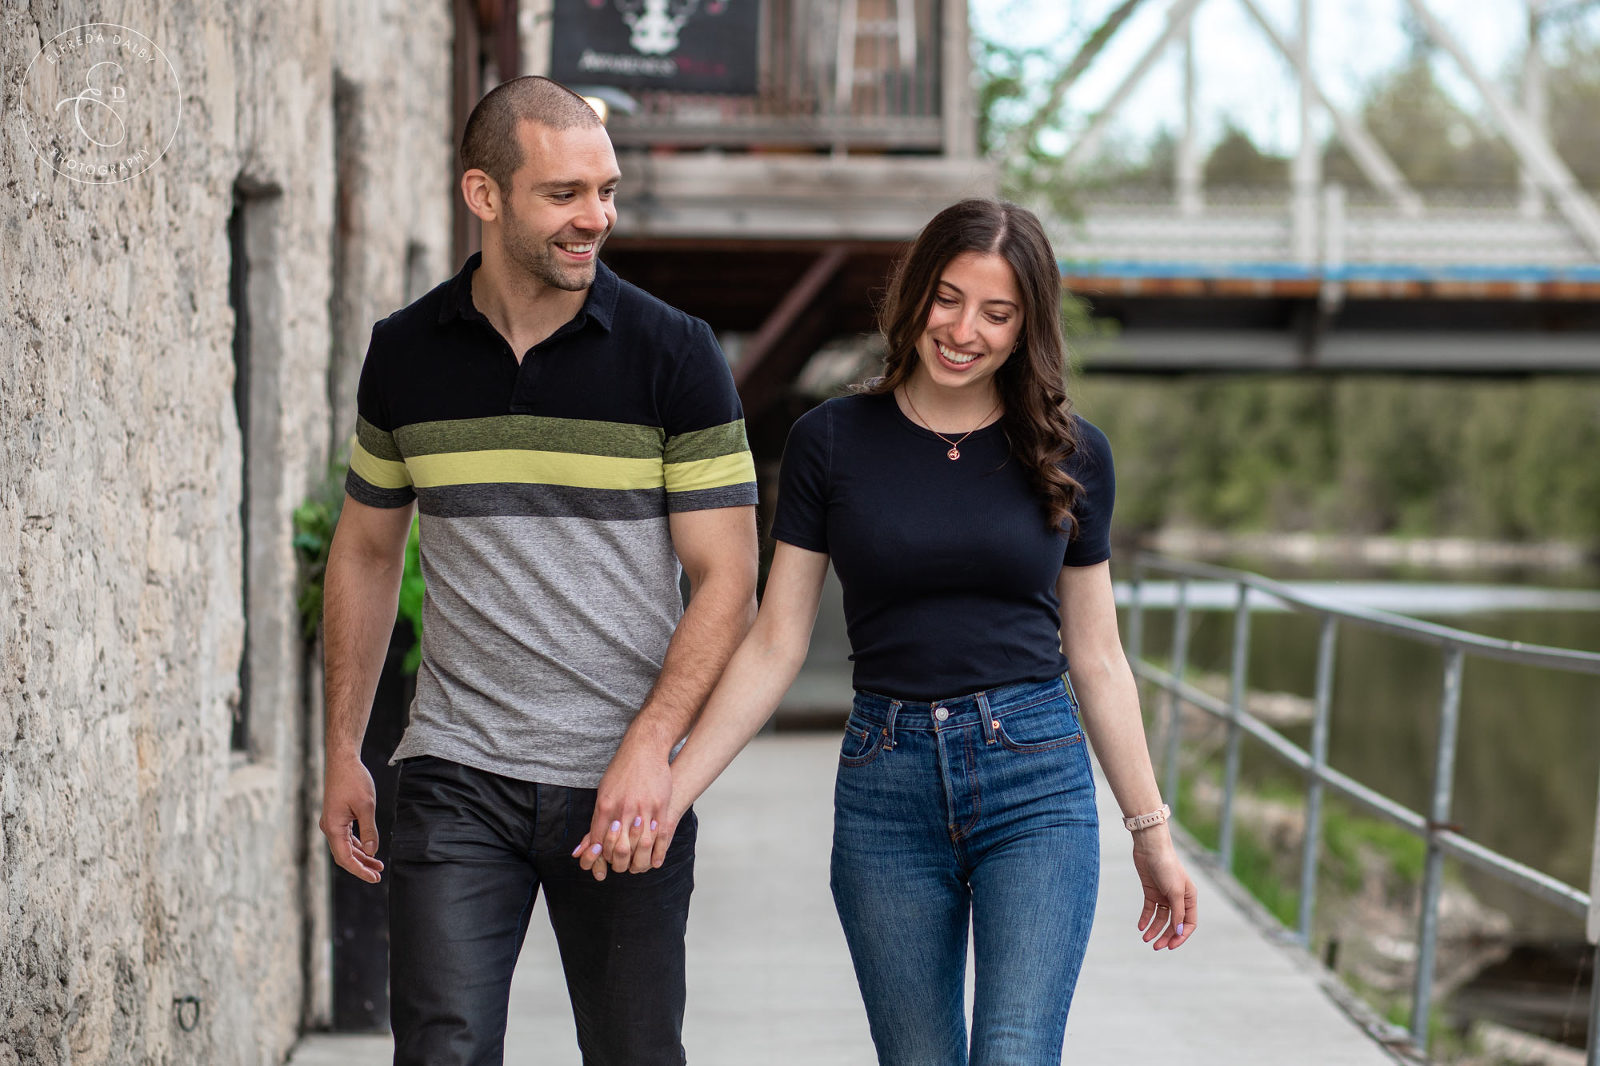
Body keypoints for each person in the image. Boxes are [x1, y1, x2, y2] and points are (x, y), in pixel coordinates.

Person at [579, 198, 1197, 1065]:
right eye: (948, 298)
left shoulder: (1070, 451)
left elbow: (1097, 656)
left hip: (1036, 781)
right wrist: (672, 794)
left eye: (997, 312)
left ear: (1027, 327)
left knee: (1016, 1051)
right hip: (886, 785)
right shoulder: (831, 442)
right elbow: (775, 643)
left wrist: (1151, 832)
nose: (964, 330)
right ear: (914, 295)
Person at [318, 75, 759, 1066]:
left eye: (605, 191)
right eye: (564, 194)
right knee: (442, 1049)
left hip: (622, 785)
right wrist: (342, 744)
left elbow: (729, 578)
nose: (594, 218)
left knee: (635, 1053)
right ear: (485, 195)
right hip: (454, 772)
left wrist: (653, 747)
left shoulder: (674, 354)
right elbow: (366, 546)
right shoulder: (403, 354)